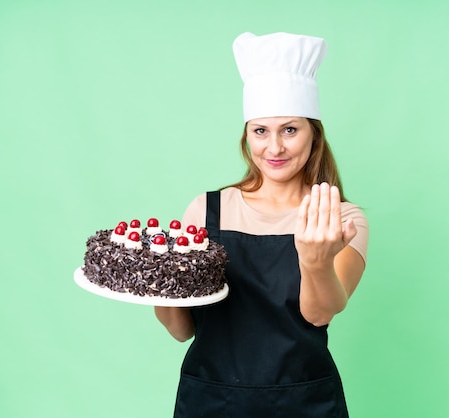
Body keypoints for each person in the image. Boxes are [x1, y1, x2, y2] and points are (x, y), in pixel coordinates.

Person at [154, 32, 369, 417]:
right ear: (247, 136)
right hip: (211, 400)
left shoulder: (341, 218)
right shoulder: (206, 211)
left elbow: (320, 314)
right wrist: (155, 283)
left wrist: (316, 260)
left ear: (313, 135)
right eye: (261, 131)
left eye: (290, 129)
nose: (274, 148)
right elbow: (181, 329)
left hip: (305, 402)